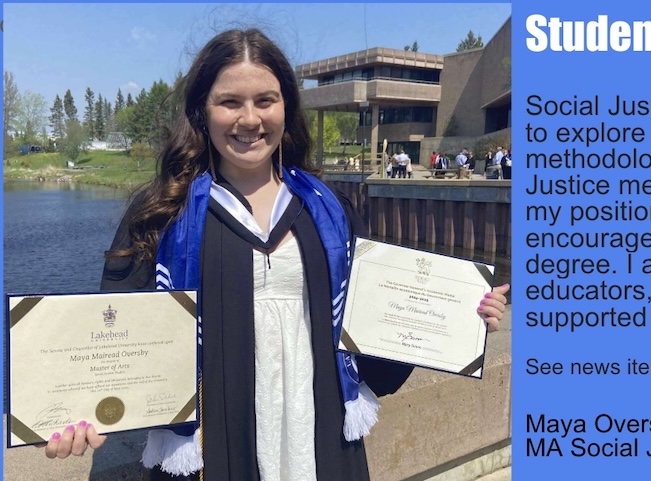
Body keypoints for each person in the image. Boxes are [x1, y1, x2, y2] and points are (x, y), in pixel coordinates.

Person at [43, 29, 510, 481]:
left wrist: (458, 313)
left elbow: (379, 329)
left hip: (321, 438)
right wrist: (81, 412)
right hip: (216, 442)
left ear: (286, 108)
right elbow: (111, 342)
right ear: (202, 113)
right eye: (230, 102)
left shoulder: (329, 212)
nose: (250, 119)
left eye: (265, 100)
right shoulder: (162, 217)